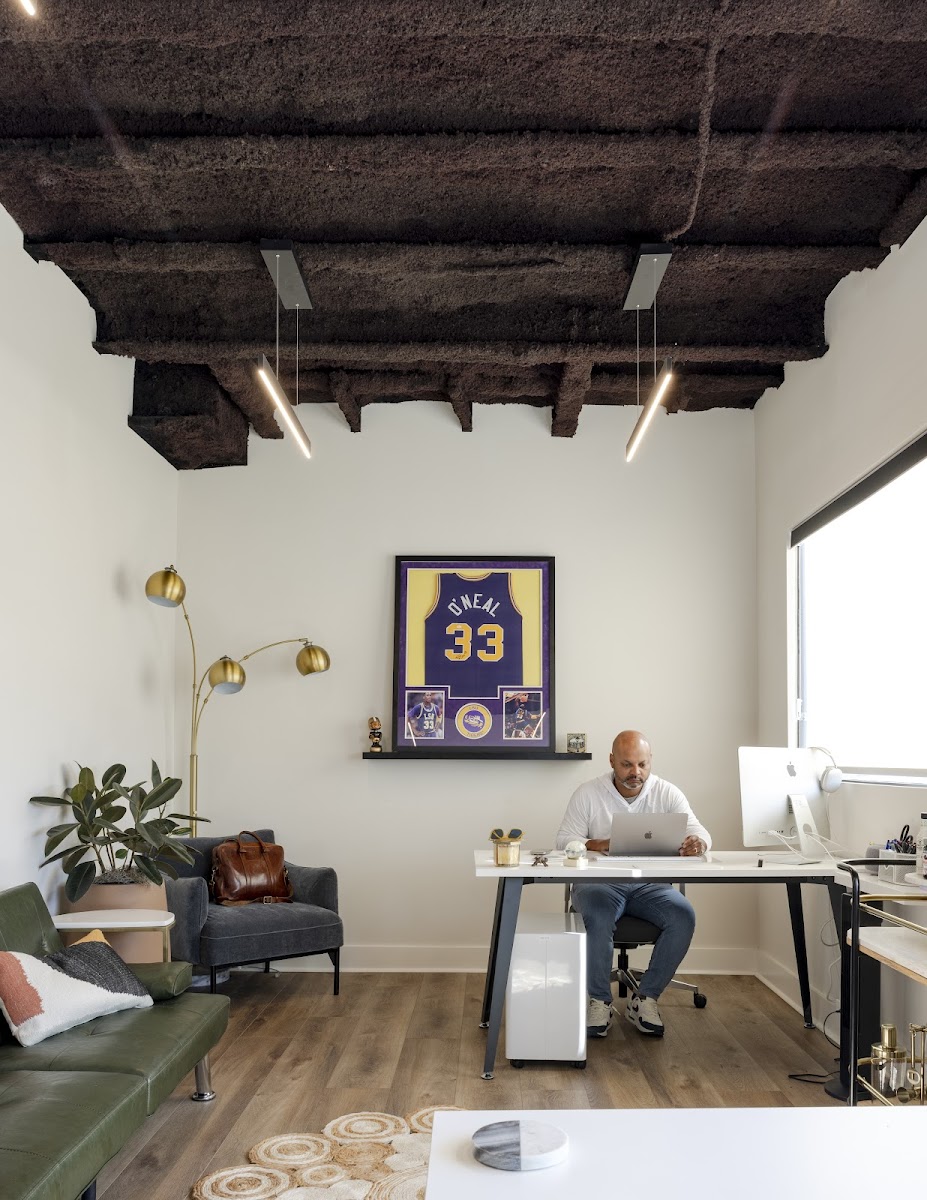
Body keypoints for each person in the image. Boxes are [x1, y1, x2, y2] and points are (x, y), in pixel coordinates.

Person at [556, 730, 710, 1039]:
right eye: (626, 764)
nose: (635, 773)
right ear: (612, 760)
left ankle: (646, 998)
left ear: (650, 762)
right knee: (598, 917)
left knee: (683, 915)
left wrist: (699, 843)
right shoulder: (588, 793)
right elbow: (563, 842)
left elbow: (701, 833)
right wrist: (599, 844)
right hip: (599, 884)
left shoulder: (667, 793)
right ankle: (599, 1000)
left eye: (642, 764)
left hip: (649, 885)